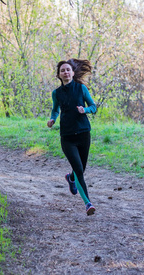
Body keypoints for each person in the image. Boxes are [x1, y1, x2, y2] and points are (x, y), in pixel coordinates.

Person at [47, 59, 97, 216]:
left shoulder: (81, 88)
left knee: (81, 168)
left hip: (83, 133)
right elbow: (55, 110)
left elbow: (94, 107)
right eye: (62, 70)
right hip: (67, 137)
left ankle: (70, 178)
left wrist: (85, 109)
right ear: (59, 75)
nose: (65, 72)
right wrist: (52, 119)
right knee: (79, 170)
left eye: (68, 70)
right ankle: (88, 203)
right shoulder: (56, 93)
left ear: (73, 73)